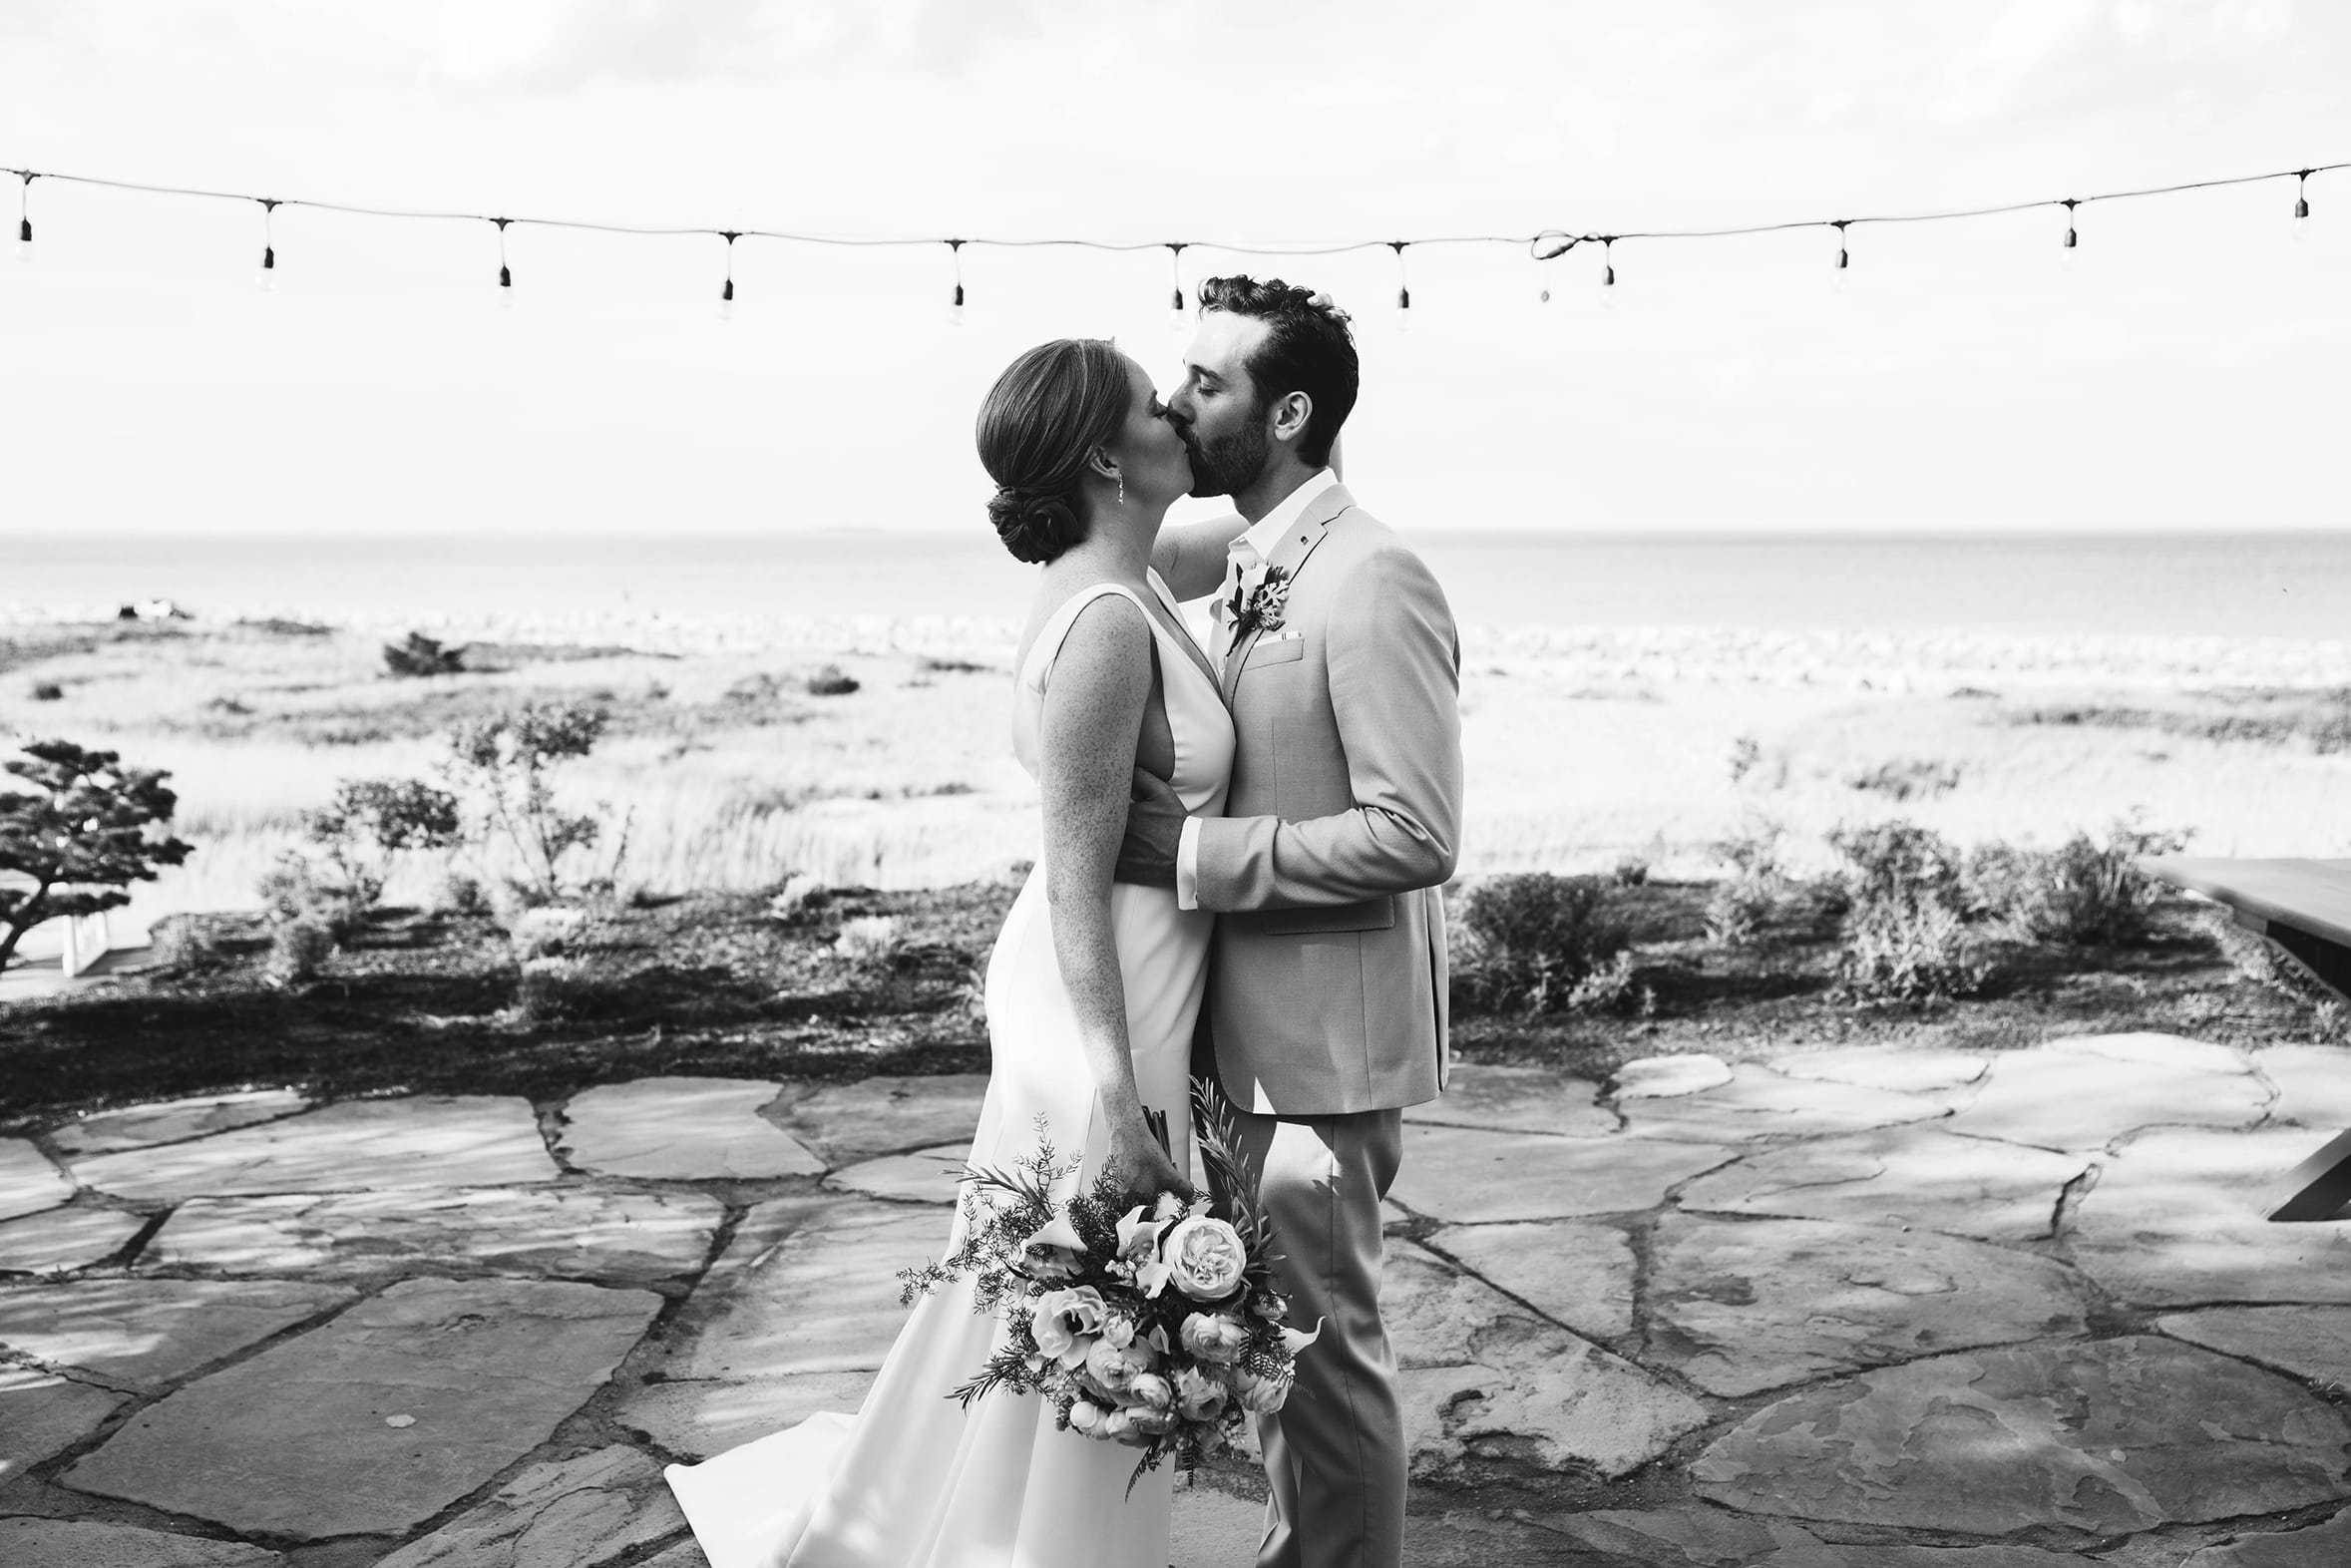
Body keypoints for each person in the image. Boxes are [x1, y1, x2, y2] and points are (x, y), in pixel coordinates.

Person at [663, 335, 1251, 1567]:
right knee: (1089, 1279)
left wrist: (1309, 411)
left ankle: (1018, 1527)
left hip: (1129, 978)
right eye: (1157, 402)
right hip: (1099, 995)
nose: (1176, 414)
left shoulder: (1135, 575)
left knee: (1062, 1285)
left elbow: (1269, 520)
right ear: (1104, 453)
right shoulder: (1102, 621)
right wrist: (1114, 1083)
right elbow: (1078, 875)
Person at [1119, 276, 1464, 1568]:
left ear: (1290, 412)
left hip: (1324, 1049)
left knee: (1326, 1368)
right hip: (1249, 1040)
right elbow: (1125, 545)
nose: (1172, 399)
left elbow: (1416, 835)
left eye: (1205, 384)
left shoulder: (1371, 579)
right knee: (1276, 1361)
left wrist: (1193, 854)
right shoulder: (1259, 552)